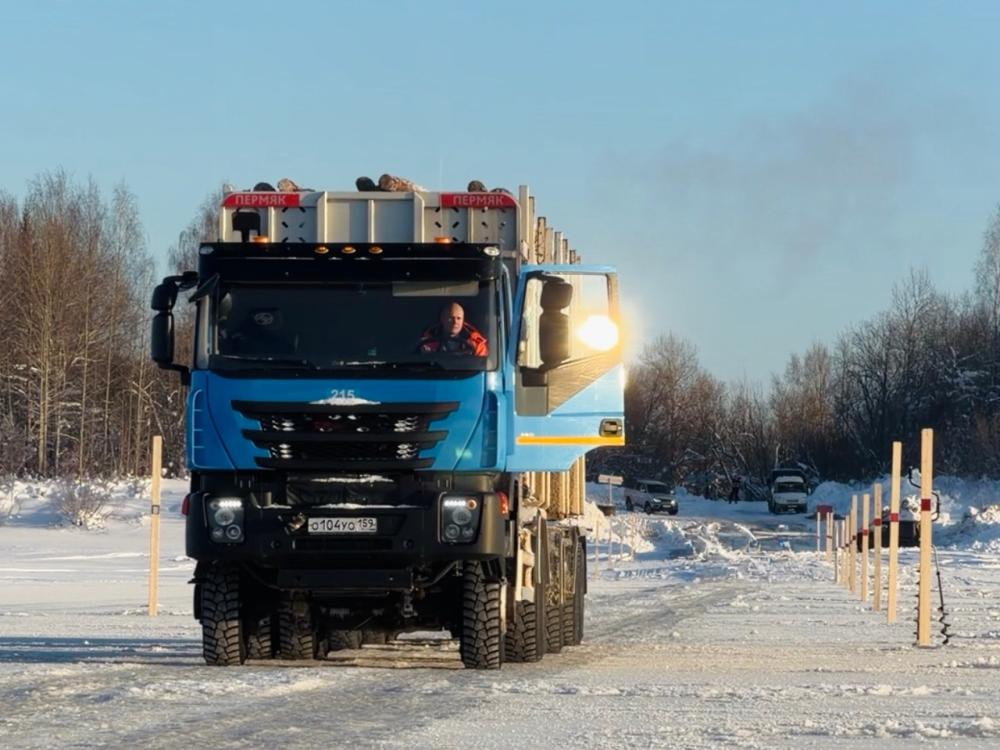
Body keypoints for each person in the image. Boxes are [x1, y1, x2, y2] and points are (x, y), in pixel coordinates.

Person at [417, 302, 488, 356]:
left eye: (459, 318)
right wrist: (426, 355)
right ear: (442, 318)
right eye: (450, 318)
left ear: (463, 320)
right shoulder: (427, 342)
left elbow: (481, 366)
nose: (455, 322)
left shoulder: (477, 344)